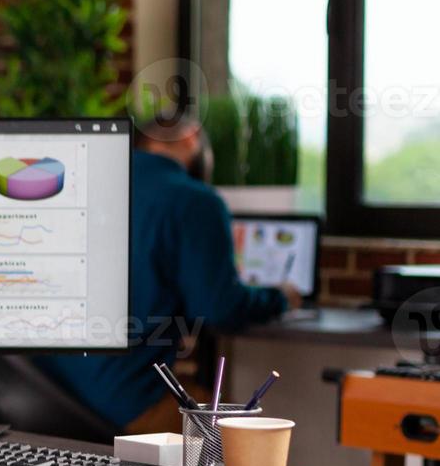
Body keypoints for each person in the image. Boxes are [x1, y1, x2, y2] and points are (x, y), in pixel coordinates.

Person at [34, 116, 302, 434]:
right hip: (121, 400)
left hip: (40, 385)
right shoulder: (195, 200)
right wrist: (281, 297)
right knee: (227, 424)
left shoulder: (80, 182)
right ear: (192, 138)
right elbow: (220, 308)